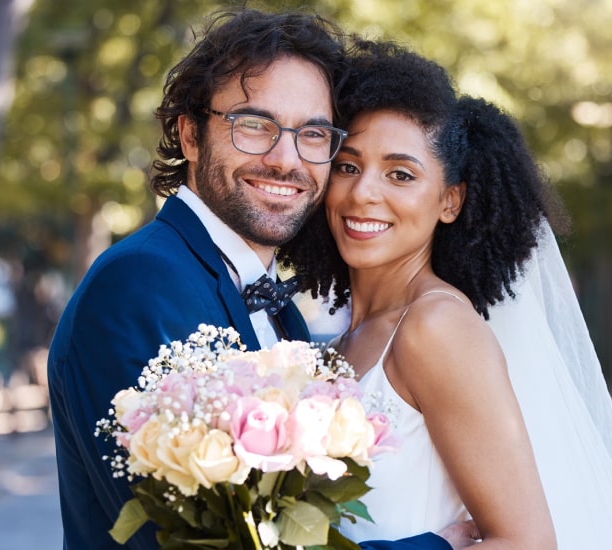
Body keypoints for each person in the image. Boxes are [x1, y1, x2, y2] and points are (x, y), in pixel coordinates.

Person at [47, 9, 469, 550]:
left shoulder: (278, 308)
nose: (284, 159)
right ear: (190, 134)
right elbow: (179, 540)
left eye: (313, 134)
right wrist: (439, 546)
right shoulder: (138, 284)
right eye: (253, 125)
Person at [280, 40, 612, 549]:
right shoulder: (340, 341)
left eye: (400, 174)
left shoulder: (435, 329)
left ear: (450, 201)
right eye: (347, 166)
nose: (363, 192)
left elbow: (526, 542)